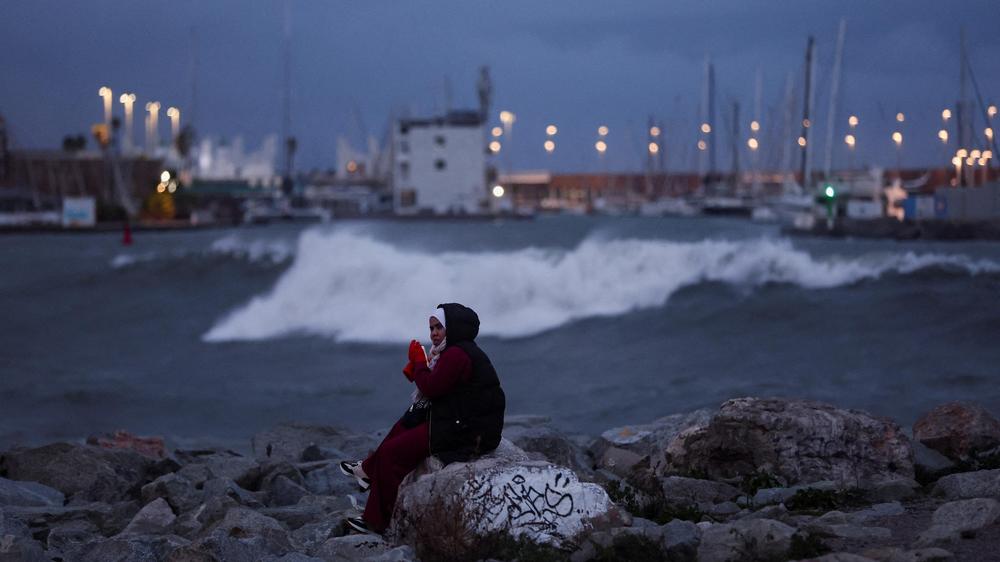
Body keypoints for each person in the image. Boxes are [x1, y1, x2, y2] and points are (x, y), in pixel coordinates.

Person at [339, 302, 506, 534]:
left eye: (439, 327)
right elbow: (440, 386)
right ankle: (368, 471)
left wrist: (418, 363)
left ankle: (377, 522)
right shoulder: (454, 351)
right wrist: (422, 366)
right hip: (457, 420)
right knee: (406, 422)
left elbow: (431, 387)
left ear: (453, 327)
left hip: (466, 432)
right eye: (431, 328)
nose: (434, 333)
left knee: (391, 455)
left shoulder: (457, 354)